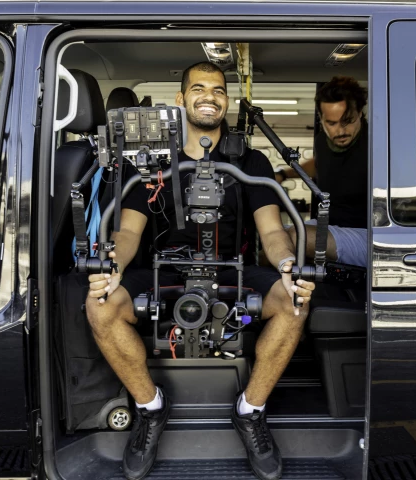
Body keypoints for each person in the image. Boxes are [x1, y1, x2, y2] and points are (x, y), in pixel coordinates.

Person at [85, 62, 316, 480]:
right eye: (198, 88)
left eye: (218, 90)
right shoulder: (152, 161)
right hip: (165, 271)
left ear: (226, 101)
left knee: (294, 300)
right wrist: (112, 266)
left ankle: (250, 410)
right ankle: (150, 408)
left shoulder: (250, 161)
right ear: (181, 99)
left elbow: (272, 231)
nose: (209, 96)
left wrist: (287, 265)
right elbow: (129, 232)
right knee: (100, 304)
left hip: (232, 272)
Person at [274, 76, 367, 267]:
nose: (340, 131)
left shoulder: (376, 143)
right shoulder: (322, 142)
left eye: (347, 121)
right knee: (273, 238)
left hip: (367, 235)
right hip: (331, 226)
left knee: (297, 237)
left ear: (360, 113)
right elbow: (318, 165)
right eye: (331, 123)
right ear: (321, 119)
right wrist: (283, 174)